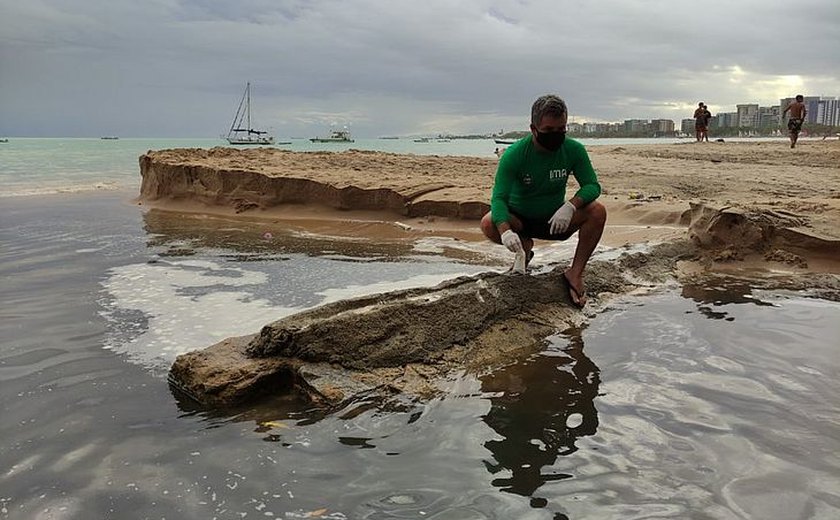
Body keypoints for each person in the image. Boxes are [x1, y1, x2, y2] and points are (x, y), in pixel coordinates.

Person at [479, 94, 607, 308]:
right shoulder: (515, 155)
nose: (555, 135)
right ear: (534, 128)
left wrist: (570, 206)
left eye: (561, 129)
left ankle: (575, 273)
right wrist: (505, 231)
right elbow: (499, 198)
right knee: (488, 222)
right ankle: (524, 247)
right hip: (520, 220)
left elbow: (593, 186)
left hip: (556, 220)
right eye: (548, 130)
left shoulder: (574, 149)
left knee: (598, 211)